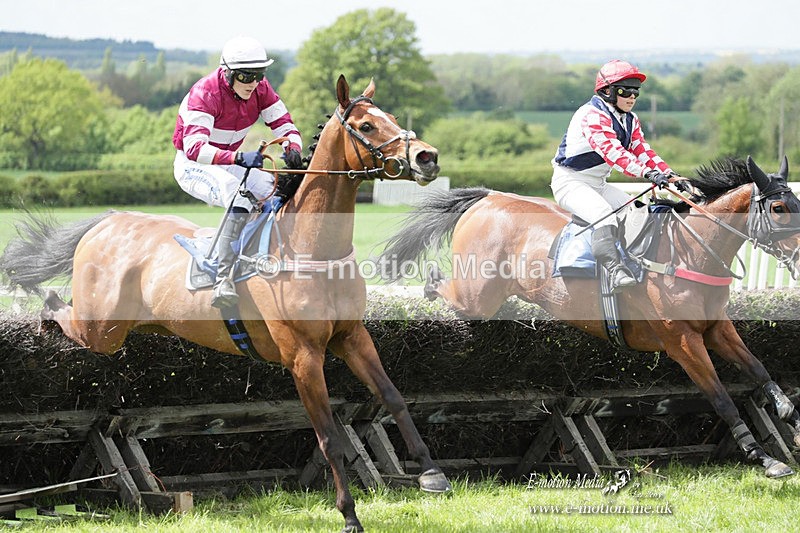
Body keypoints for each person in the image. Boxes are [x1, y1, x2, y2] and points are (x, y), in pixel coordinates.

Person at [173, 35, 303, 309]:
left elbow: (285, 125)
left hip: (231, 162)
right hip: (195, 165)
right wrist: (239, 156)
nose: (253, 83)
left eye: (259, 75)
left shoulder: (260, 88)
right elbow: (195, 149)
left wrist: (293, 146)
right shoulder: (205, 93)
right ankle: (222, 279)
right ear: (228, 73)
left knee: (275, 192)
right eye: (246, 76)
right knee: (239, 197)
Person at [550, 59, 681, 292]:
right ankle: (615, 271)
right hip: (570, 183)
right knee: (604, 215)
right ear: (608, 91)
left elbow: (642, 150)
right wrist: (649, 174)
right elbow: (614, 154)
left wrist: (669, 174)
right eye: (625, 91)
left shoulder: (630, 120)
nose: (632, 97)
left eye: (636, 92)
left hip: (597, 184)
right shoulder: (592, 115)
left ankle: (633, 261)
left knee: (636, 212)